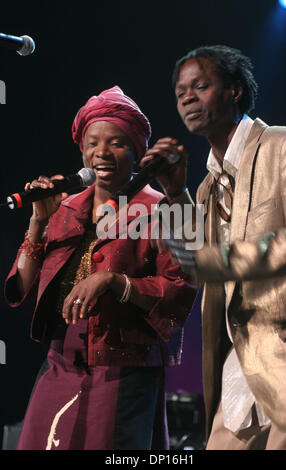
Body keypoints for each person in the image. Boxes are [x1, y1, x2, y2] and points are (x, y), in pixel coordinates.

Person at [4, 86, 196, 450]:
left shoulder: (159, 208)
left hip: (123, 369)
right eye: (93, 143)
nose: (102, 153)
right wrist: (37, 223)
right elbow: (21, 288)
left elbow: (181, 287)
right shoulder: (66, 207)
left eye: (116, 143)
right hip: (60, 362)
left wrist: (114, 282)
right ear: (82, 149)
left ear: (136, 151)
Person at [142, 45, 286, 450]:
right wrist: (176, 192)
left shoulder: (284, 144)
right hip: (243, 361)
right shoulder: (208, 186)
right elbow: (194, 264)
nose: (188, 98)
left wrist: (213, 259)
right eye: (181, 92)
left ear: (234, 91)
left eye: (201, 85)